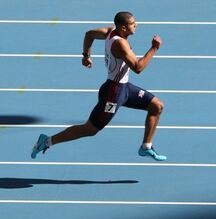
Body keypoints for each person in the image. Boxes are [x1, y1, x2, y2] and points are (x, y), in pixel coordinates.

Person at [31, 11, 167, 161]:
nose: (136, 25)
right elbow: (138, 67)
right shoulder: (120, 43)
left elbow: (89, 34)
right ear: (123, 28)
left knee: (156, 106)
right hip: (113, 93)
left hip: (125, 88)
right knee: (90, 129)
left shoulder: (110, 31)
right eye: (133, 23)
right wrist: (154, 48)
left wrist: (86, 56)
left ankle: (146, 147)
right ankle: (47, 141)